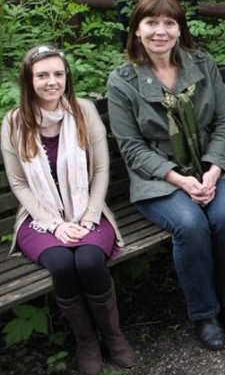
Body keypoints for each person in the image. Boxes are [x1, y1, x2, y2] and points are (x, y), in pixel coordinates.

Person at [106, 0, 225, 351]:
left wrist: (214, 170)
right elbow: (132, 147)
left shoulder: (200, 63)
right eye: (151, 23)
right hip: (160, 178)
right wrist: (179, 178)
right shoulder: (122, 80)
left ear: (179, 28)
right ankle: (204, 313)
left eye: (169, 23)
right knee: (190, 225)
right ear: (137, 30)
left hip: (212, 164)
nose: (161, 31)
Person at [2, 46, 136, 375]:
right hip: (39, 218)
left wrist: (89, 216)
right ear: (28, 80)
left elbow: (101, 170)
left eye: (58, 74)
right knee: (62, 263)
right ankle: (87, 341)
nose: (52, 82)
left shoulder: (84, 111)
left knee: (89, 259)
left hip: (88, 208)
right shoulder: (14, 122)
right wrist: (53, 224)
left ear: (67, 77)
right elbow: (19, 184)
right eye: (43, 75)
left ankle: (113, 336)